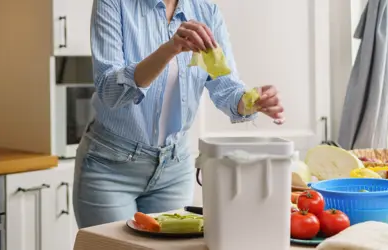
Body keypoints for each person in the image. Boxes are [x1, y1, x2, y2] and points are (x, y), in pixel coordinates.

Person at [73, 0, 285, 228]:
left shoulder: (206, 11)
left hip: (174, 170)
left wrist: (252, 101)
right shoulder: (114, 3)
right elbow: (110, 90)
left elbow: (226, 87)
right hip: (110, 168)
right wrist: (171, 48)